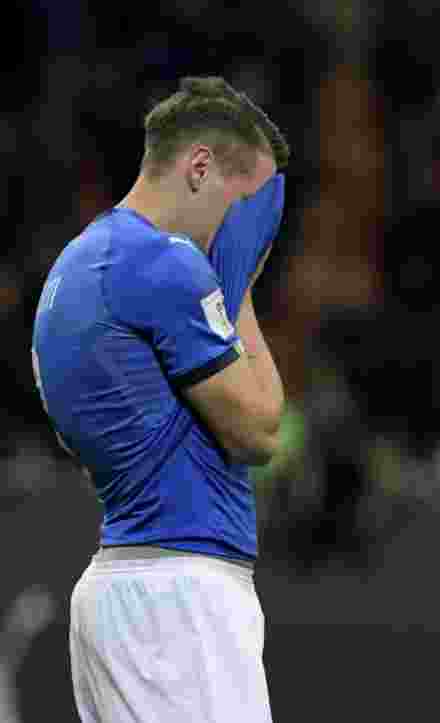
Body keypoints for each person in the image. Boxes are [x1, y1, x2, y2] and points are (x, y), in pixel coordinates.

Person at [30, 76, 289, 723]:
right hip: (182, 599)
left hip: (119, 592)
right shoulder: (164, 265)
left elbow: (83, 439)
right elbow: (260, 431)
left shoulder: (73, 268)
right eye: (243, 202)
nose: (241, 227)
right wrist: (240, 287)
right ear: (199, 166)